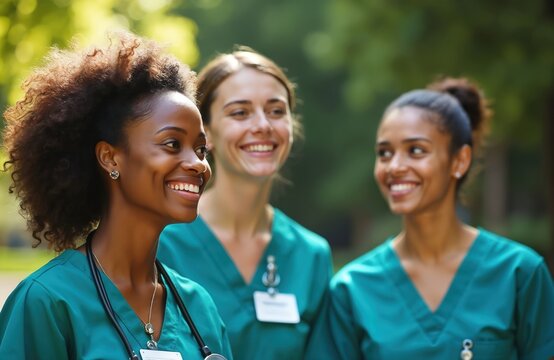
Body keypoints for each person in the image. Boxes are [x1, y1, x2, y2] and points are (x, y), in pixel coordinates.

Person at [0, 31, 233, 359]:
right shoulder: (48, 301)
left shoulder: (199, 308)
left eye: (200, 149)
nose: (197, 164)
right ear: (110, 158)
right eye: (171, 144)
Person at [305, 78, 554, 359]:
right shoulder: (352, 290)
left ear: (460, 160)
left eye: (416, 150)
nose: (395, 166)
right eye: (384, 153)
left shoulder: (519, 274)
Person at [158, 48, 333, 359]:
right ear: (206, 133)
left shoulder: (311, 255)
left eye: (277, 111)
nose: (263, 125)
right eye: (240, 112)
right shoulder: (161, 242)